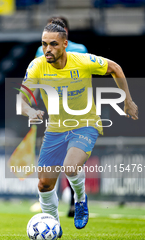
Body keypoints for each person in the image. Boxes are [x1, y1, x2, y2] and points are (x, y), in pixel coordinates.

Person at [20, 19, 138, 237]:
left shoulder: (82, 60)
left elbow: (115, 68)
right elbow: (22, 100)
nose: (47, 49)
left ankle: (80, 199)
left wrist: (127, 101)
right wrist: (30, 111)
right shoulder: (37, 65)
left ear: (65, 44)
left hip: (85, 124)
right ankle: (53, 225)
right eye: (44, 44)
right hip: (55, 128)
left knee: (70, 166)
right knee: (44, 185)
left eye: (53, 44)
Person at [36, 16, 88, 218]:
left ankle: (77, 199)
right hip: (54, 115)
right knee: (54, 164)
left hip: (76, 115)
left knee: (70, 162)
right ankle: (54, 202)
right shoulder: (40, 52)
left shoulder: (80, 51)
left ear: (65, 33)